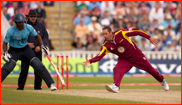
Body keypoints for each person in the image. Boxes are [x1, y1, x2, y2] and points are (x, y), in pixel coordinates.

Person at [83, 26, 169, 93]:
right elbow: (99, 56)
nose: (105, 36)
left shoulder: (121, 33)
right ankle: (116, 87)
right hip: (124, 60)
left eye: (106, 33)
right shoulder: (106, 45)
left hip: (136, 56)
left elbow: (137, 31)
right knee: (116, 69)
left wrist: (149, 37)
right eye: (103, 34)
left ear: (110, 32)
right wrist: (90, 61)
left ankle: (162, 81)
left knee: (152, 71)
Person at [1, 13, 57, 91]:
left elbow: (37, 36)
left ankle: (51, 84)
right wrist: (5, 53)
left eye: (22, 22)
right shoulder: (11, 30)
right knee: (9, 67)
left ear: (24, 21)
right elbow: (5, 43)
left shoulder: (28, 27)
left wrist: (42, 45)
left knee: (38, 64)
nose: (21, 24)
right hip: (14, 49)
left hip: (25, 48)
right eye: (19, 22)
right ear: (15, 22)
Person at [17, 10, 49, 90]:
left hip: (37, 51)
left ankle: (38, 87)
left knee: (39, 70)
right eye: (31, 16)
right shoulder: (23, 26)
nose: (33, 18)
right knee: (24, 70)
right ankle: (20, 87)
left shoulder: (41, 26)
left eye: (34, 16)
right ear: (28, 17)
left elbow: (45, 37)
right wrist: (26, 44)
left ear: (36, 17)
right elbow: (18, 37)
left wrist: (41, 46)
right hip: (26, 51)